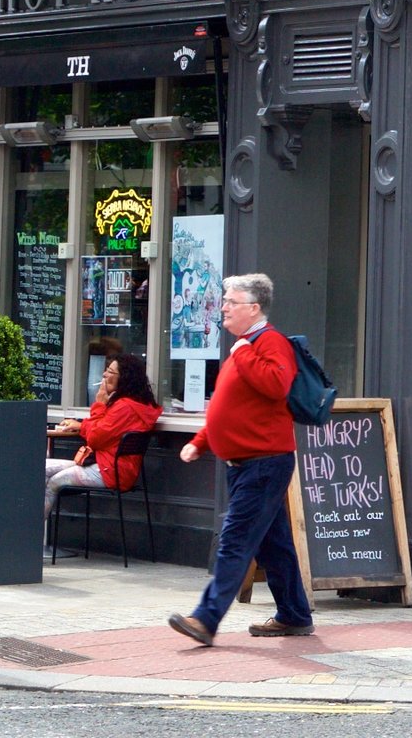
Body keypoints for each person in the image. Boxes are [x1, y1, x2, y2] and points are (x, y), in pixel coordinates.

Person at [168, 273, 314, 643]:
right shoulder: (244, 345)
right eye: (225, 301)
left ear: (253, 307)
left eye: (231, 302)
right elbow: (228, 405)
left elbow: (276, 384)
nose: (224, 308)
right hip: (247, 464)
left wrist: (245, 353)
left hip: (264, 462)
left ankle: (206, 618)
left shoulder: (268, 343)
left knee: (235, 540)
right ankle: (295, 614)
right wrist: (201, 440)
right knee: (273, 543)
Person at [44, 351, 163, 523]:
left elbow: (95, 438)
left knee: (54, 481)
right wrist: (83, 425)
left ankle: (33, 534)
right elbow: (104, 428)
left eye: (110, 371)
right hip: (111, 467)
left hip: (108, 471)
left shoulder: (124, 407)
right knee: (42, 467)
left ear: (125, 378)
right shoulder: (136, 405)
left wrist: (99, 403)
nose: (104, 374)